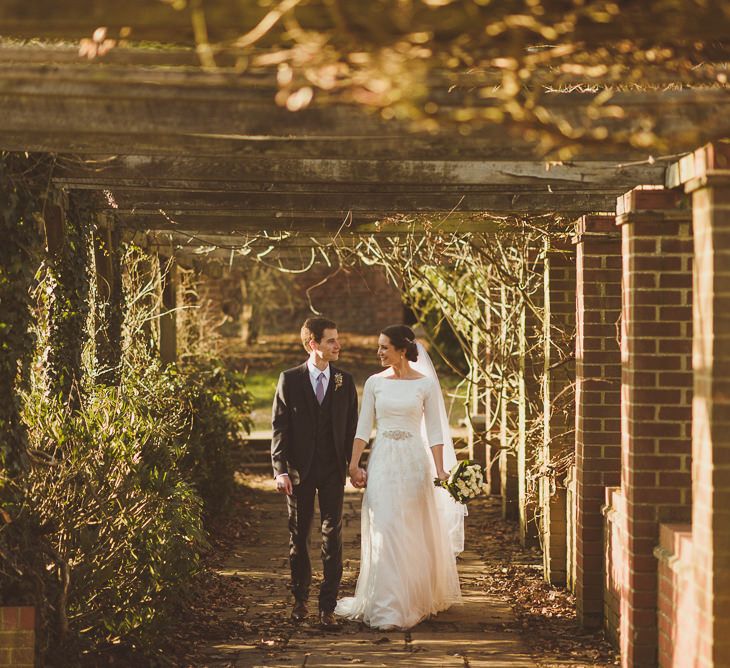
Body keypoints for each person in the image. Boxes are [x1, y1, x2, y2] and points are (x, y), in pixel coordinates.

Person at [335, 324, 463, 630]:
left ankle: (410, 598)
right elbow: (363, 428)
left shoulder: (425, 385)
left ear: (402, 350)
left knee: (409, 528)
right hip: (382, 462)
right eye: (378, 347)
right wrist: (353, 465)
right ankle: (387, 604)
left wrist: (441, 469)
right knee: (385, 527)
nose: (378, 352)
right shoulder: (375, 383)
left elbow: (433, 431)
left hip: (414, 463)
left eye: (384, 347)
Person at [271, 317, 361, 629]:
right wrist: (280, 470)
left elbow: (351, 428)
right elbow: (279, 428)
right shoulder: (290, 379)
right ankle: (299, 601)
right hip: (299, 472)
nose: (338, 346)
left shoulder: (344, 381)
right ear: (314, 344)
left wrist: (353, 464)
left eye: (337, 340)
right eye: (331, 341)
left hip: (333, 471)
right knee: (299, 536)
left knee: (332, 536)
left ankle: (327, 606)